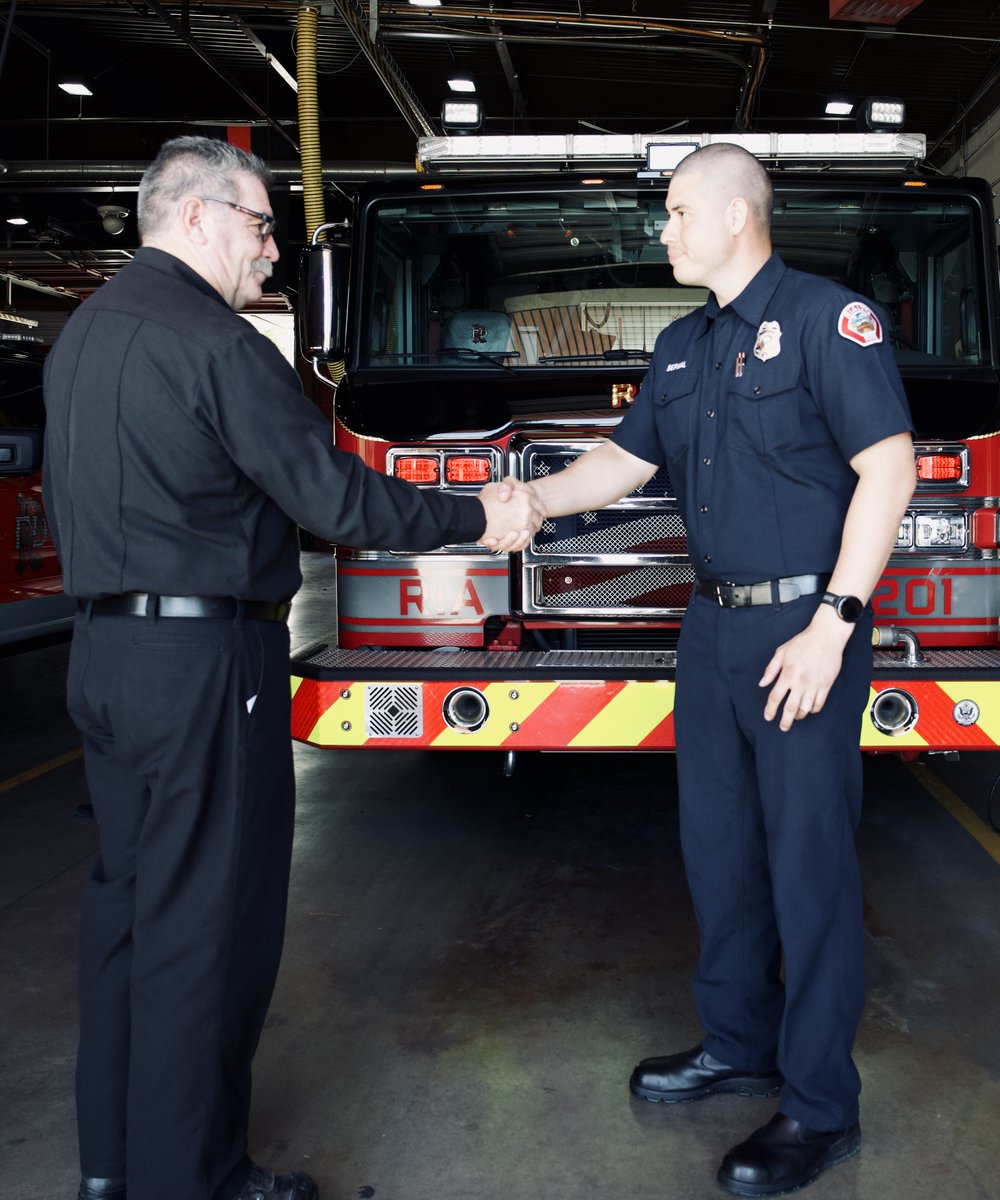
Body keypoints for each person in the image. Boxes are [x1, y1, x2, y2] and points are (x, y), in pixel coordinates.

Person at [42, 135, 542, 1200]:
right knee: (206, 927)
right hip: (201, 664)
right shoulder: (218, 346)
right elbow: (339, 499)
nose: (271, 250)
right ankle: (194, 1177)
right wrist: (481, 516)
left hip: (103, 659)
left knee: (126, 916)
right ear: (193, 217)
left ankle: (110, 1168)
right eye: (260, 224)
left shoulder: (83, 336)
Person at [521, 143, 915, 1196]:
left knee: (808, 868)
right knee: (718, 851)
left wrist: (834, 622)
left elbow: (890, 466)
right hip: (710, 636)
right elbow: (624, 463)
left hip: (802, 635)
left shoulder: (831, 320)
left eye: (678, 212)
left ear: (738, 216)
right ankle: (737, 1043)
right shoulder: (685, 345)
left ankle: (819, 1103)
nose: (664, 230)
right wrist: (521, 505)